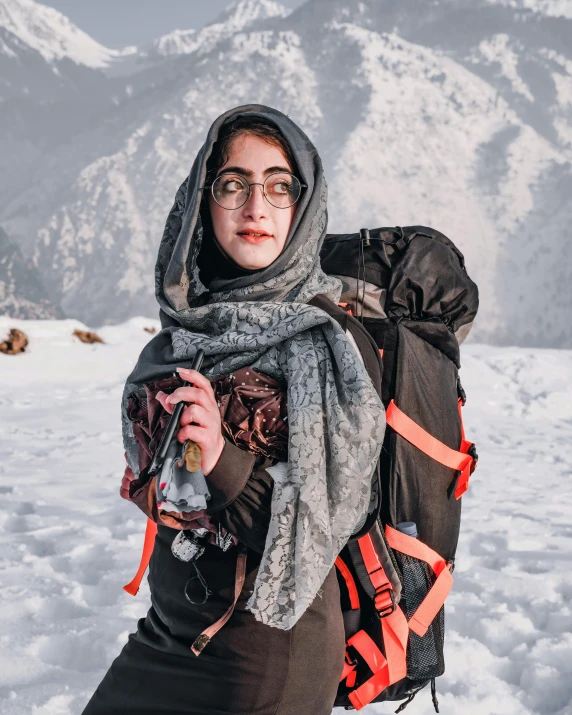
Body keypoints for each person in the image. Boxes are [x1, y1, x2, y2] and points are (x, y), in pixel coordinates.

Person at [81, 104, 385, 715]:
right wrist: (153, 484)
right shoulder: (180, 335)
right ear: (202, 200)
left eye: (279, 186)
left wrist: (223, 461)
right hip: (171, 632)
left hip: (266, 661)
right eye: (233, 184)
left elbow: (324, 527)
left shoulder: (328, 345)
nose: (256, 207)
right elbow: (180, 501)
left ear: (302, 208)